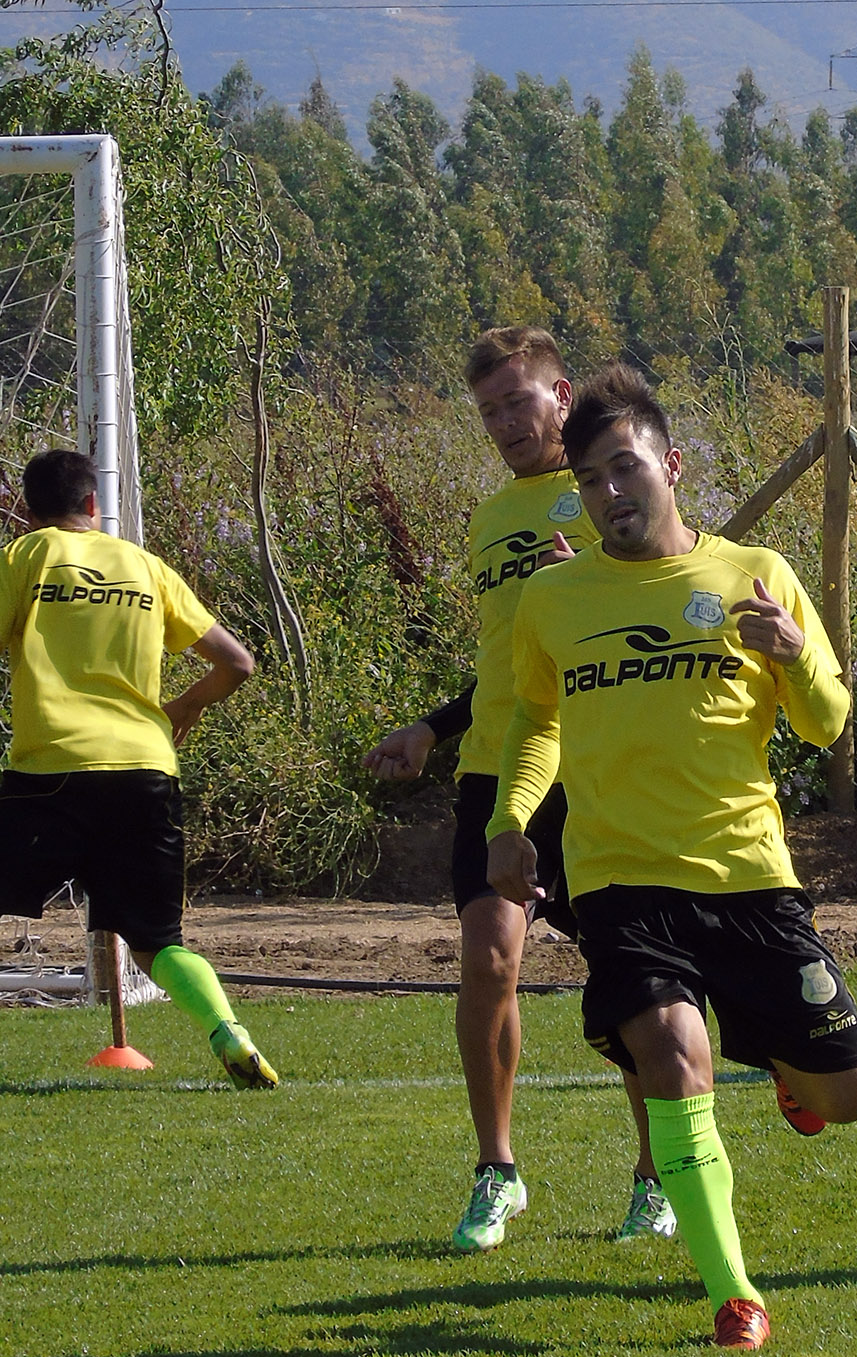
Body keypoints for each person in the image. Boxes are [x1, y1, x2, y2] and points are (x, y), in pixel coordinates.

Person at [486, 363, 857, 1351]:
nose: (609, 492)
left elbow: (827, 723)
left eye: (625, 468)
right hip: (620, 882)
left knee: (845, 1097)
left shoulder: (756, 573)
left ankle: (785, 1065)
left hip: (748, 875)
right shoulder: (553, 598)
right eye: (589, 479)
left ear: (672, 465)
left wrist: (792, 654)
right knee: (669, 1054)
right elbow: (536, 723)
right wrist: (510, 821)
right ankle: (732, 1294)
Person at [363, 326, 673, 1253]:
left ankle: (657, 1177)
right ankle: (496, 1173)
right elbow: (512, 663)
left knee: (629, 975)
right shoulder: (490, 519)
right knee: (490, 956)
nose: (502, 421)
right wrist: (434, 728)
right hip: (496, 770)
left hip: (592, 768)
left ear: (560, 396)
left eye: (517, 401)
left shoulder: (608, 491)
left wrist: (595, 582)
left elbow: (665, 602)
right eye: (488, 408)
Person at [0, 449, 274, 1100]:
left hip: (52, 772)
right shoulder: (146, 567)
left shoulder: (24, 556)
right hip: (146, 772)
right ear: (93, 504)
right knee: (157, 942)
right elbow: (238, 662)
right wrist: (185, 706)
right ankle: (229, 1034)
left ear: (28, 510)